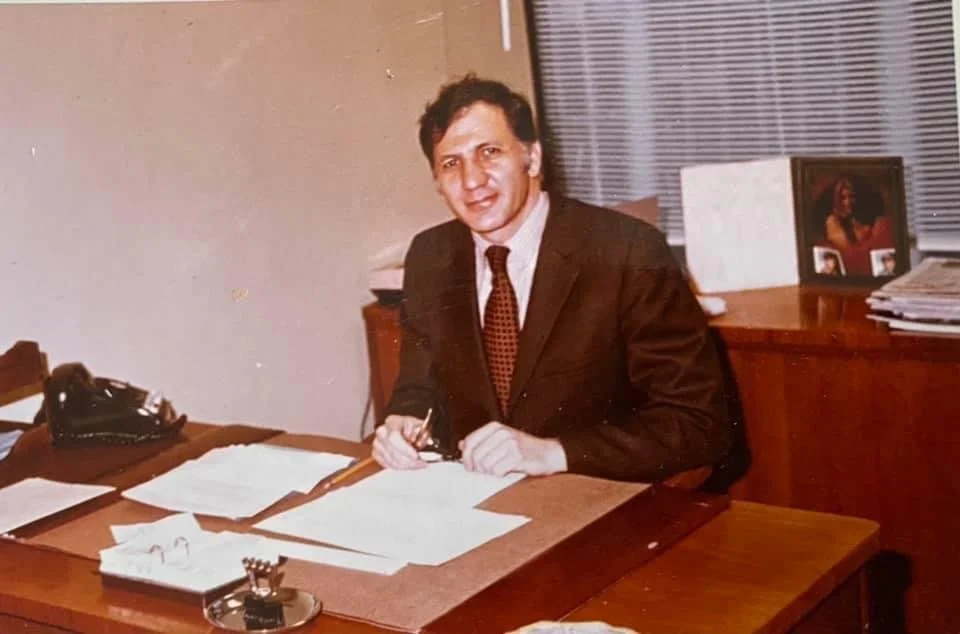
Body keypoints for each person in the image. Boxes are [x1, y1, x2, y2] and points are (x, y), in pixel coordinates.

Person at [372, 75, 732, 482]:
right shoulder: (430, 257)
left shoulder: (627, 251)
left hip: (597, 495)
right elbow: (420, 387)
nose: (472, 180)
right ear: (438, 182)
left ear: (533, 159)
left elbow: (701, 424)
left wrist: (555, 453)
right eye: (451, 163)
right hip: (476, 503)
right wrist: (406, 422)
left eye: (489, 152)